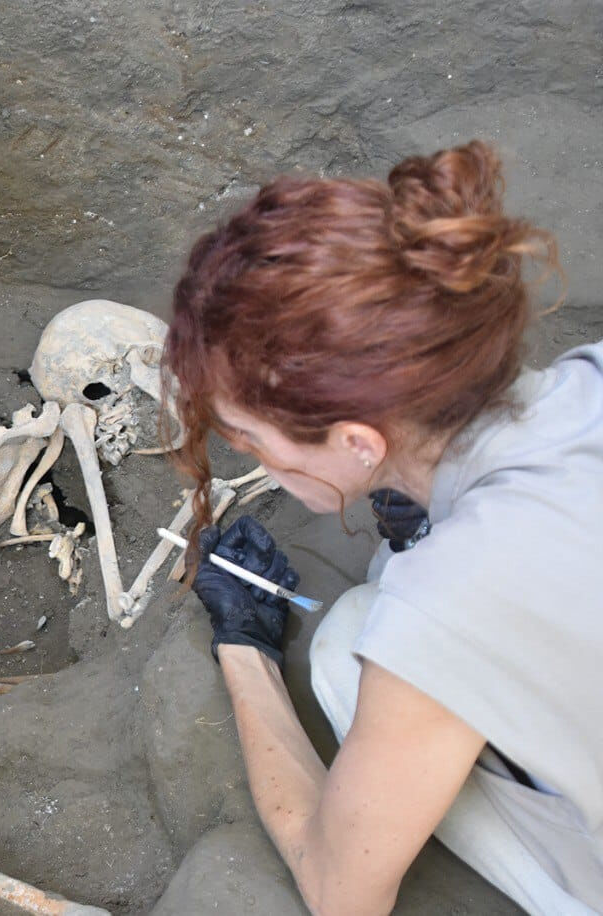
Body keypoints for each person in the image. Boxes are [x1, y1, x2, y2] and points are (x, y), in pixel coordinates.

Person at [164, 141, 602, 915]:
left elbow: (343, 892)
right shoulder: (590, 376)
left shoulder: (449, 603)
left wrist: (244, 648)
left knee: (348, 645)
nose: (255, 459)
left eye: (252, 440)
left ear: (360, 444)